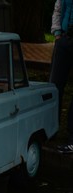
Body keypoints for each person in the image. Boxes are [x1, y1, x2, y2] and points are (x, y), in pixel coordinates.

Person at [50, 0, 73, 154]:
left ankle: (72, 138)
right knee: (54, 86)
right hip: (64, 39)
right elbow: (58, 8)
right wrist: (57, 33)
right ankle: (51, 128)